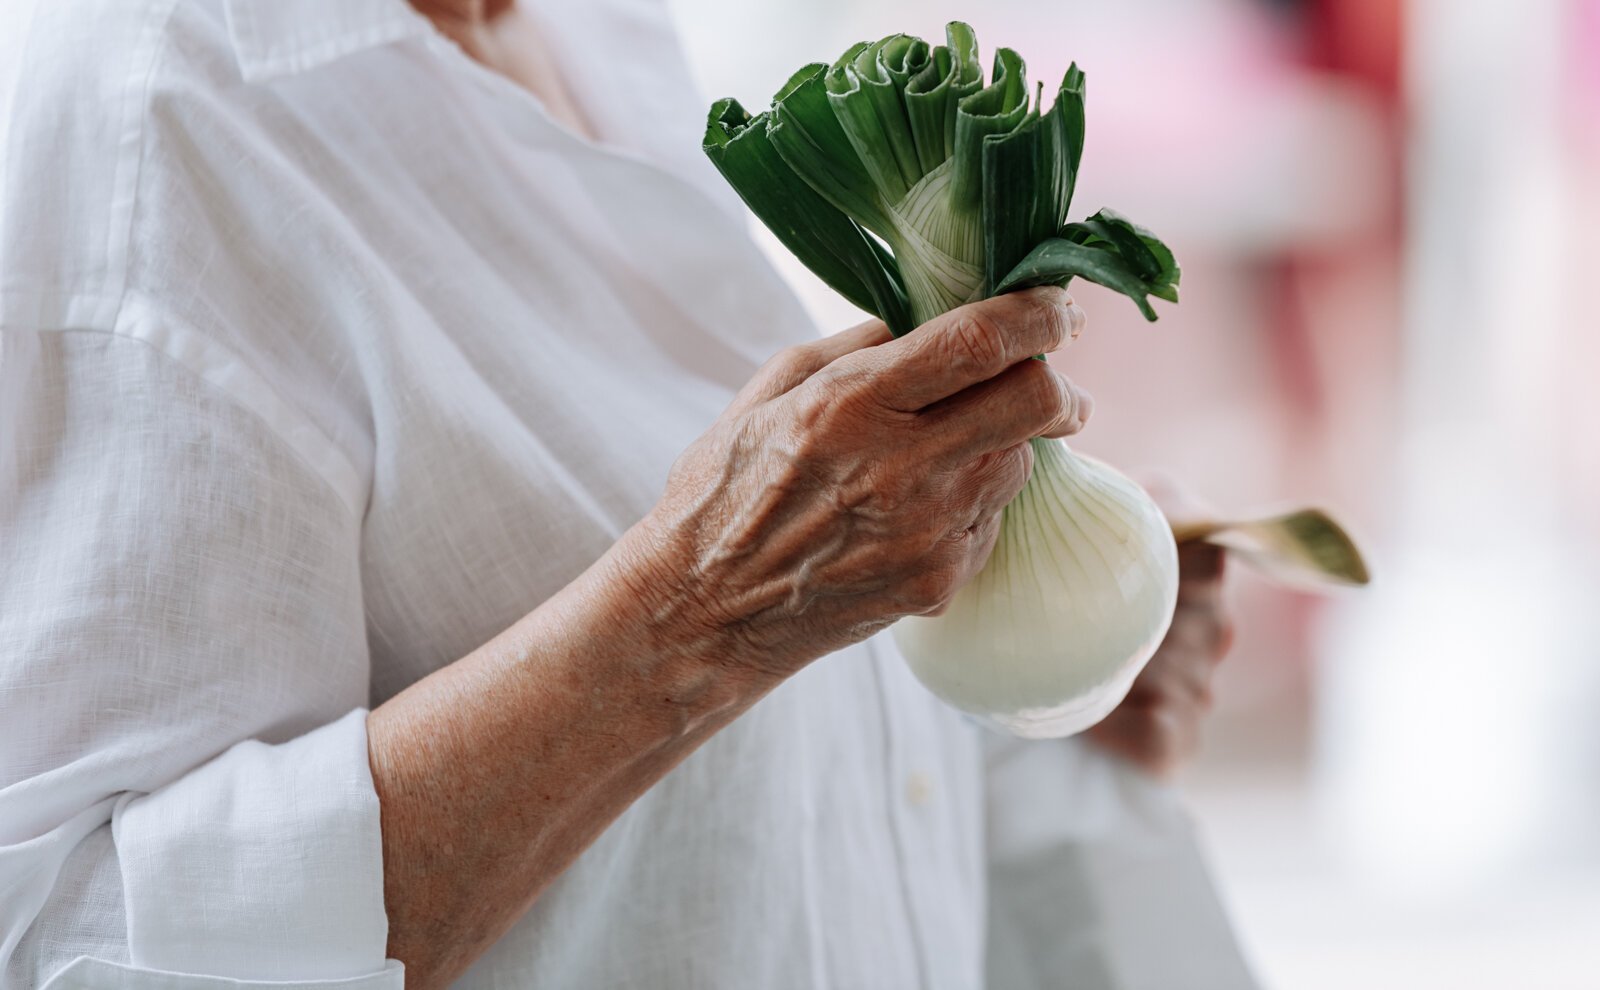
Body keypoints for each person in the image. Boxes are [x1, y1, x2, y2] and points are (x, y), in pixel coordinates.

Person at [0, 1, 1239, 987]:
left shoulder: (601, 33)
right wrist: (695, 615)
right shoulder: (134, 119)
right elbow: (69, 939)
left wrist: (1032, 707)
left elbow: (701, 810)